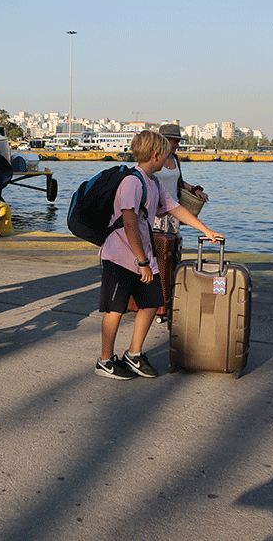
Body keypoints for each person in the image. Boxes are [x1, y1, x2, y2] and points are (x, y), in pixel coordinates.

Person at [95, 130, 223, 380]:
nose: (168, 158)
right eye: (165, 154)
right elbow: (129, 223)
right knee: (115, 309)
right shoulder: (132, 182)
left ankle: (133, 354)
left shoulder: (152, 182)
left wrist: (205, 230)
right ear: (155, 155)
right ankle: (105, 359)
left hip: (142, 255)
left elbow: (174, 208)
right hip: (121, 255)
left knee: (153, 303)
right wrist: (143, 261)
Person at [155, 124, 209, 234]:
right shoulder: (154, 158)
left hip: (174, 209)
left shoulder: (175, 159)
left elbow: (178, 181)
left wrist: (194, 189)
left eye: (178, 142)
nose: (177, 145)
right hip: (156, 211)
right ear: (165, 141)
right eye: (175, 142)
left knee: (173, 245)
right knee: (156, 245)